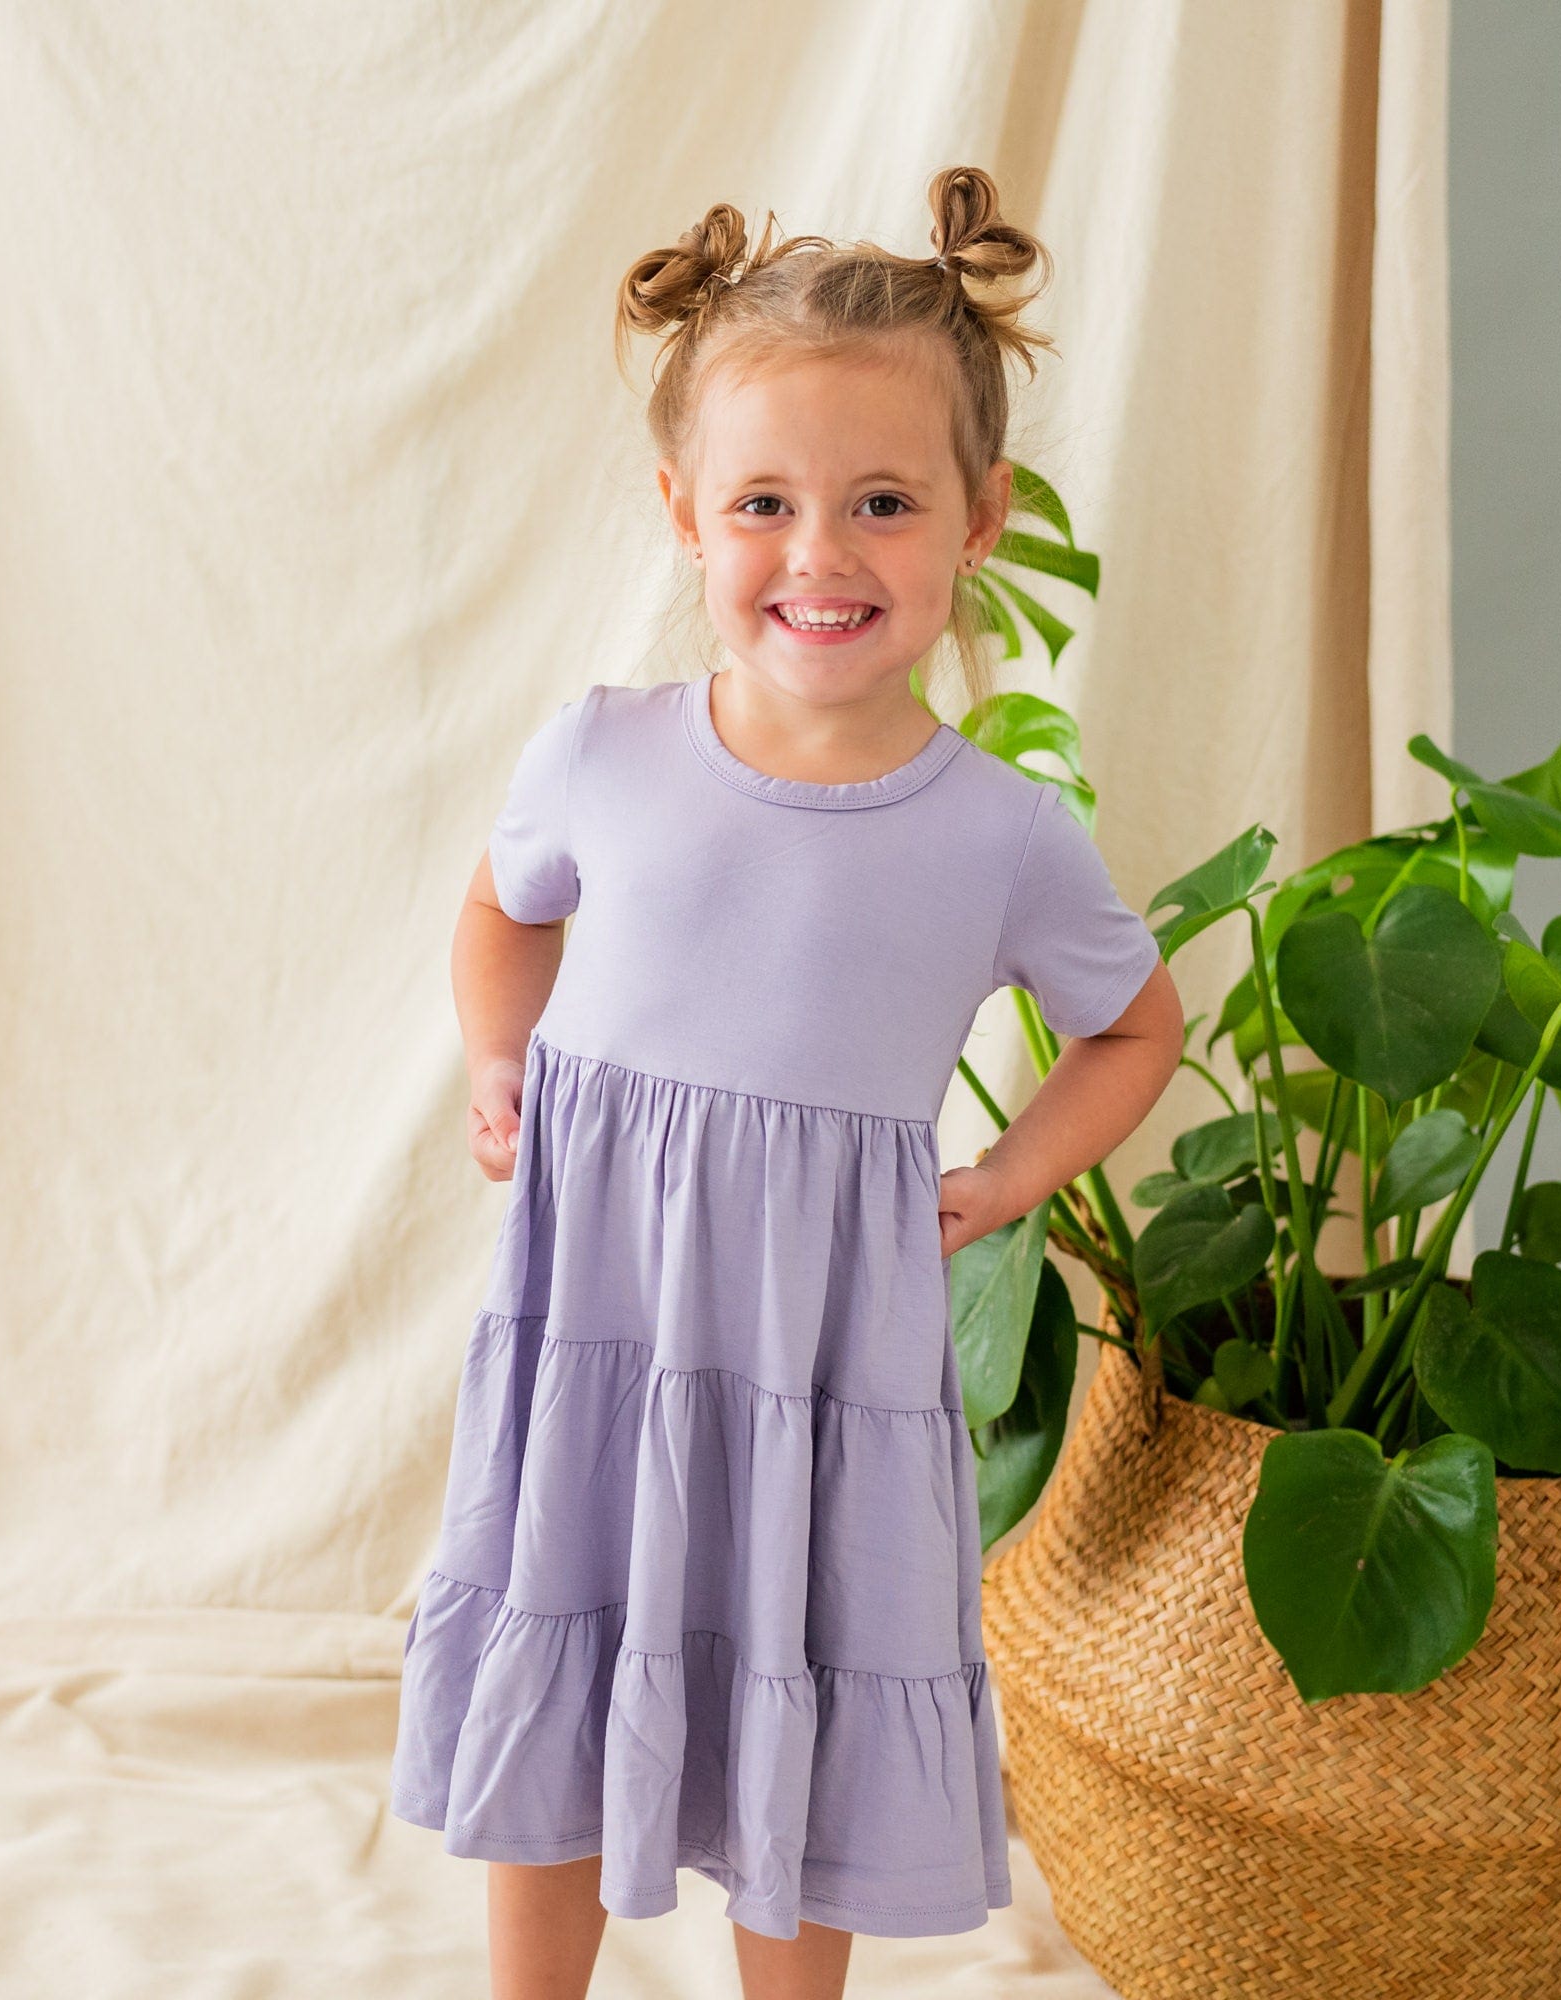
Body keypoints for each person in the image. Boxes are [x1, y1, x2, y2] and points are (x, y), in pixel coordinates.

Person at [389, 164, 1183, 2000]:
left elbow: (1132, 1028)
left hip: (820, 1348)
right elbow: (500, 915)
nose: (820, 556)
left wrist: (1008, 1179)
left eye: (883, 505)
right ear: (684, 512)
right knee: (561, 1662)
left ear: (977, 521)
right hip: (597, 1322)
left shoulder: (1001, 835)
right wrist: (499, 1059)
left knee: (797, 1684)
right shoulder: (601, 752)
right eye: (766, 504)